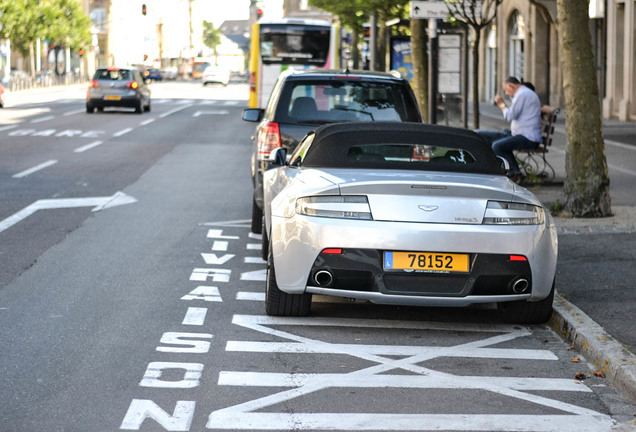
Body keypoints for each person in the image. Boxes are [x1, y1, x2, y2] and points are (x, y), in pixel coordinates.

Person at [477, 76, 542, 183]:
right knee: (481, 134)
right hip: (518, 133)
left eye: (507, 90)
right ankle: (492, 167)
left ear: (512, 86)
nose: (506, 93)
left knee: (498, 146)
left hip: (527, 137)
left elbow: (510, 116)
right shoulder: (523, 94)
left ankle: (514, 172)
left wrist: (501, 104)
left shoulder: (522, 95)